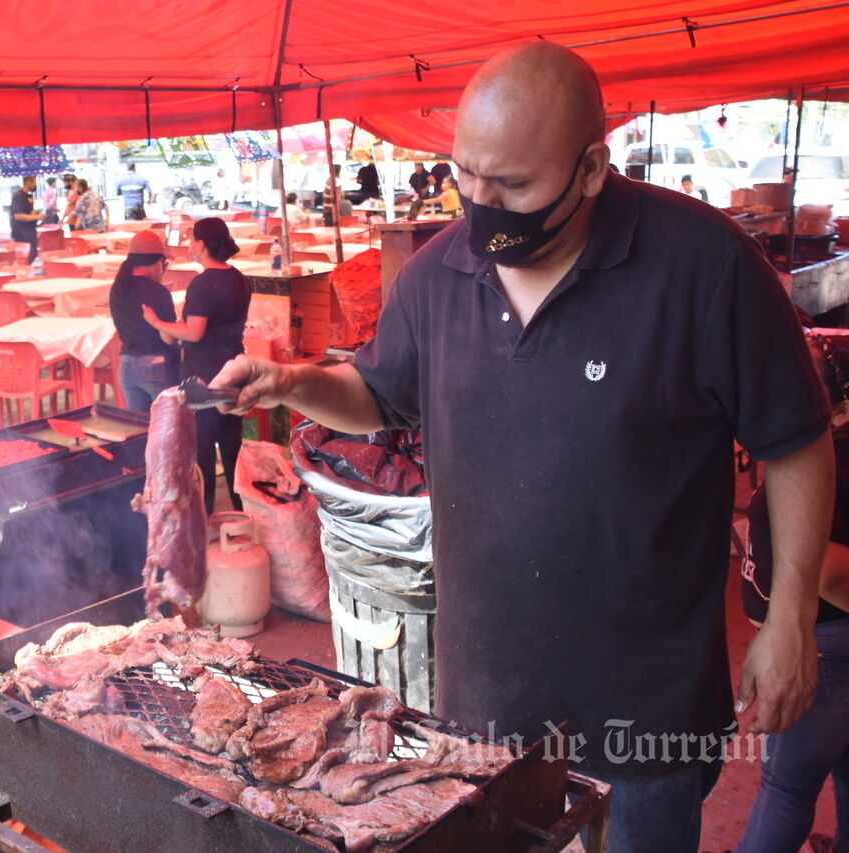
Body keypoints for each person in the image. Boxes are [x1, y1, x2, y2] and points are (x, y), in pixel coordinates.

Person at [211, 41, 834, 852]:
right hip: (486, 697)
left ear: (591, 168)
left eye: (512, 185)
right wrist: (295, 381)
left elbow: (796, 441)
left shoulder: (705, 265)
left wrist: (790, 616)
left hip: (647, 708)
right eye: (466, 175)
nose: (481, 205)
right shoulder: (435, 276)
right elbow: (379, 396)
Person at [736, 329, 849, 853]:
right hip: (829, 644)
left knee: (787, 787)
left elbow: (828, 570)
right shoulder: (811, 448)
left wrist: (791, 628)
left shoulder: (833, 468)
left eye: (806, 379)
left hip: (826, 649)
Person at [143, 217, 250, 514]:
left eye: (192, 239)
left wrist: (156, 322)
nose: (190, 245)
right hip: (233, 371)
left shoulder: (202, 283)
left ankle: (206, 517)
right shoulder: (239, 278)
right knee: (232, 446)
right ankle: (242, 511)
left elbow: (194, 332)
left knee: (202, 449)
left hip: (201, 377)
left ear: (202, 245)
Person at [108, 230, 179, 412]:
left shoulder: (117, 288)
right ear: (157, 263)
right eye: (165, 263)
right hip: (156, 366)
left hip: (126, 365)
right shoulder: (158, 292)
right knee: (165, 429)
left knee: (140, 431)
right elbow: (168, 338)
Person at [10, 175, 43, 264]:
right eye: (34, 182)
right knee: (27, 256)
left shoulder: (29, 196)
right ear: (28, 183)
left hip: (31, 231)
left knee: (33, 253)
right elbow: (18, 216)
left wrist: (36, 212)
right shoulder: (18, 196)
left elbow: (29, 213)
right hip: (21, 233)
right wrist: (37, 217)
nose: (35, 185)